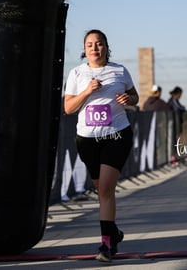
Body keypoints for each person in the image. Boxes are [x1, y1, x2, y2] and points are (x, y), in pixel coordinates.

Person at [64, 29, 139, 262]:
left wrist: (129, 100)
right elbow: (68, 108)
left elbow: (135, 97)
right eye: (89, 45)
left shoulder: (120, 70)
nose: (94, 48)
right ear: (84, 50)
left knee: (106, 189)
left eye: (99, 44)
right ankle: (113, 232)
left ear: (106, 47)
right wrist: (87, 91)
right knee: (102, 191)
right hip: (87, 140)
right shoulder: (77, 73)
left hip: (116, 134)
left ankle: (105, 245)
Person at [168, 86, 187, 165]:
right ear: (177, 93)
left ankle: (177, 157)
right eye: (180, 94)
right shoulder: (173, 100)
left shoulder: (175, 100)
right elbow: (180, 108)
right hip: (174, 124)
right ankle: (173, 158)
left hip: (178, 123)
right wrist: (183, 108)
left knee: (177, 141)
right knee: (174, 141)